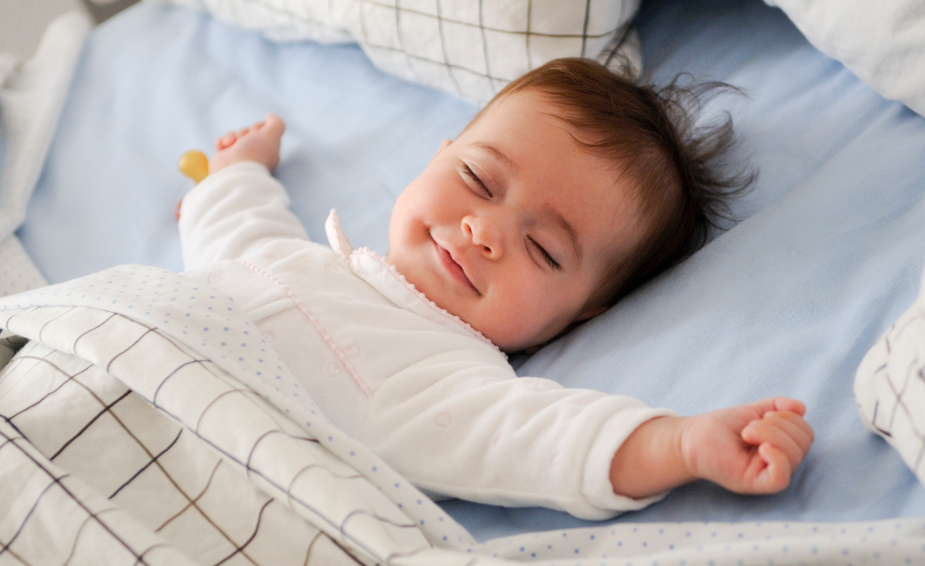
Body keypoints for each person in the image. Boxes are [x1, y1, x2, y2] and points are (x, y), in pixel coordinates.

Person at [178, 58, 813, 520]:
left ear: (586, 312)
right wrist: (238, 171)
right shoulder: (289, 258)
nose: (484, 232)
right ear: (440, 153)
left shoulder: (443, 379)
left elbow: (541, 441)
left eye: (543, 250)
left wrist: (681, 444)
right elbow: (239, 228)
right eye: (479, 179)